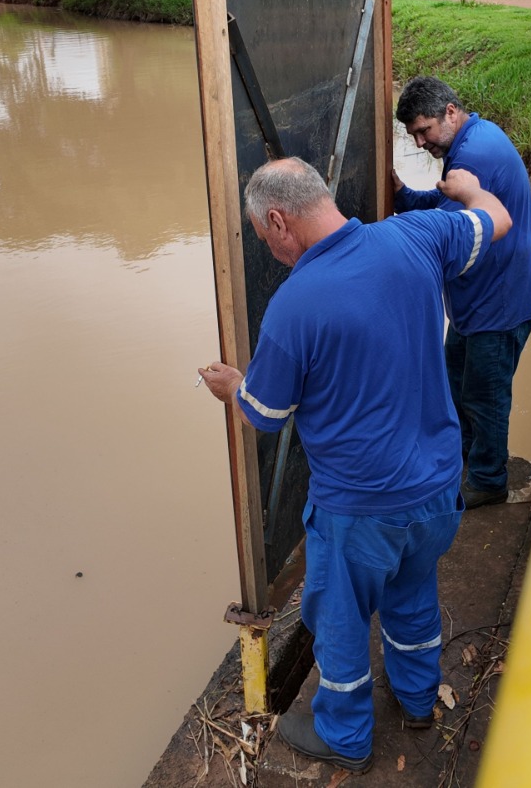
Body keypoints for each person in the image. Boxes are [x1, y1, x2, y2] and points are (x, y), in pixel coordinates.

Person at [199, 157, 512, 773]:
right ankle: (419, 700)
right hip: (437, 490)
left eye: (266, 239)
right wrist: (471, 187)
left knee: (339, 624)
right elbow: (496, 218)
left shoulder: (296, 305)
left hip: (360, 511)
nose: (271, 250)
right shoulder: (418, 236)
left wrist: (233, 385)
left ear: (279, 221)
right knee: (413, 593)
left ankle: (345, 737)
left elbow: (264, 413)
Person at [393, 76, 531, 507]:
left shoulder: (474, 155)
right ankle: (463, 457)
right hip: (478, 303)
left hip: (498, 305)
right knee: (456, 380)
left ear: (450, 112)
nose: (421, 142)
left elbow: (444, 232)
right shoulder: (470, 139)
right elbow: (448, 207)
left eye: (425, 130)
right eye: (414, 135)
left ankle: (487, 481)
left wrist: (385, 244)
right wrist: (405, 196)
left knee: (485, 396)